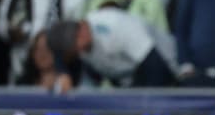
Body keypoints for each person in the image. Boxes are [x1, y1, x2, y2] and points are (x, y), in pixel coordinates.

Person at [46, 8, 176, 89]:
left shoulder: (117, 27)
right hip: (129, 77)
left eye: (78, 37)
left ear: (83, 24)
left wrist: (137, 102)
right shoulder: (75, 47)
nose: (80, 46)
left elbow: (156, 67)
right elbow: (58, 53)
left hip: (169, 66)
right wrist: (63, 73)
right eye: (74, 47)